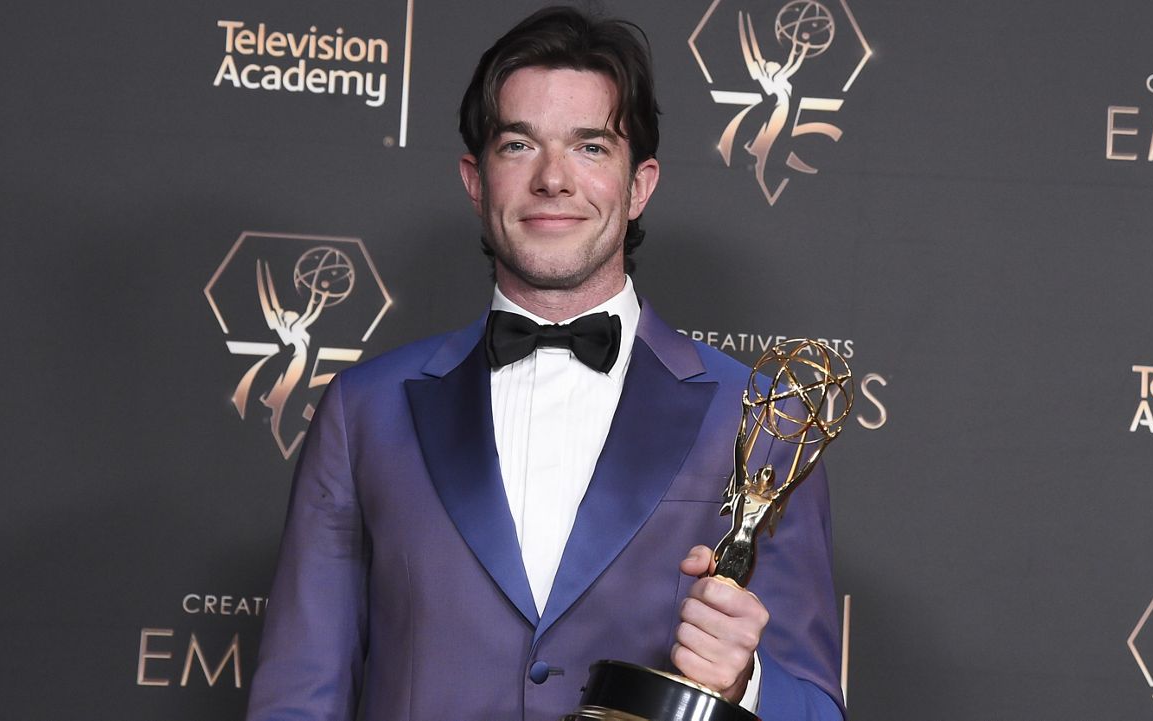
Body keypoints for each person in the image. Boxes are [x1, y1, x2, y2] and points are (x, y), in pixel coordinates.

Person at [245, 6, 844, 720]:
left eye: (590, 147)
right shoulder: (364, 410)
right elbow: (297, 698)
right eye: (519, 145)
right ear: (476, 179)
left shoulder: (762, 418)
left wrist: (745, 680)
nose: (553, 179)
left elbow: (813, 708)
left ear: (640, 184)